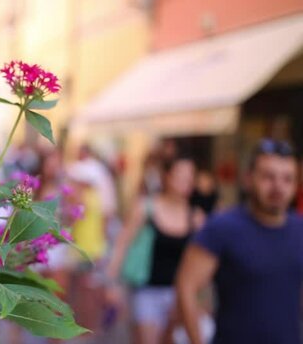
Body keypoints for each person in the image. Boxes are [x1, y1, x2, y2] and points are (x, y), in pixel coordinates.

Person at [177, 139, 303, 344]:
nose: (278, 186)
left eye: (288, 179)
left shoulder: (299, 229)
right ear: (248, 178)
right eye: (268, 177)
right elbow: (186, 287)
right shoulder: (222, 227)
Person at [105, 155, 201, 344]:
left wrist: (199, 298)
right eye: (180, 175)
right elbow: (122, 242)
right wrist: (112, 284)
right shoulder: (145, 207)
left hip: (179, 295)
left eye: (190, 176)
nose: (186, 181)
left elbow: (201, 262)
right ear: (167, 176)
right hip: (146, 291)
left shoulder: (196, 218)